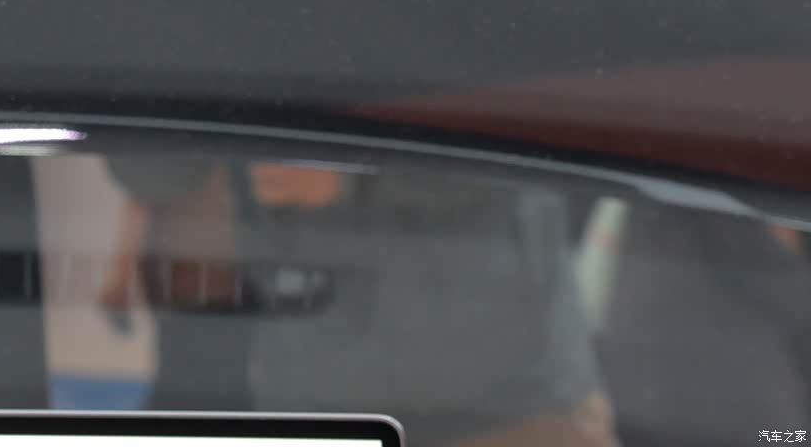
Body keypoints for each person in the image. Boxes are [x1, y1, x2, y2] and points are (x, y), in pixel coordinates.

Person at [100, 154, 616, 446]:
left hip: (507, 395)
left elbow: (538, 136)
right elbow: (154, 168)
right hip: (321, 395)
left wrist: (356, 177)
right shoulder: (233, 13)